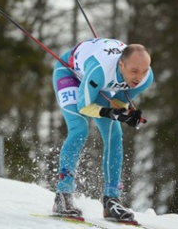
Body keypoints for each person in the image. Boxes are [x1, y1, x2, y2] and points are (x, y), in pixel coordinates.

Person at [52, 38, 154, 222]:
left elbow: (120, 102)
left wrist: (125, 114)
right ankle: (63, 195)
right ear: (121, 64)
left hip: (98, 86)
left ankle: (111, 200)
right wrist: (112, 113)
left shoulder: (145, 79)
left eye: (144, 71)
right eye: (134, 71)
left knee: (114, 133)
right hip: (70, 73)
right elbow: (84, 107)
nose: (139, 77)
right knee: (79, 129)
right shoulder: (100, 71)